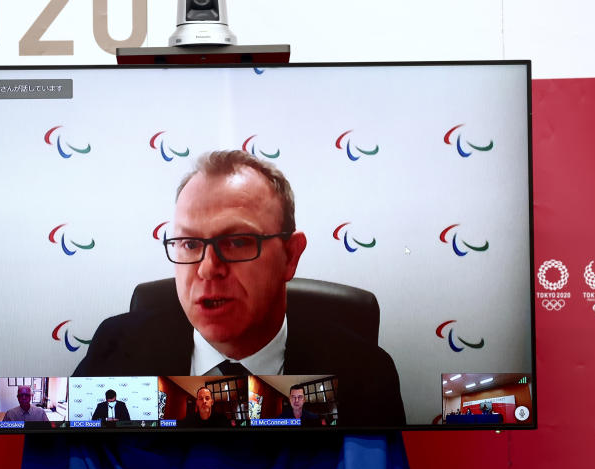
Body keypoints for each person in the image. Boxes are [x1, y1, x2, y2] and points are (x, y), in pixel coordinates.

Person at [73, 150, 405, 426]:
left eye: (236, 242)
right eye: (189, 243)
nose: (207, 269)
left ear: (290, 256)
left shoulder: (365, 375)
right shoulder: (115, 351)